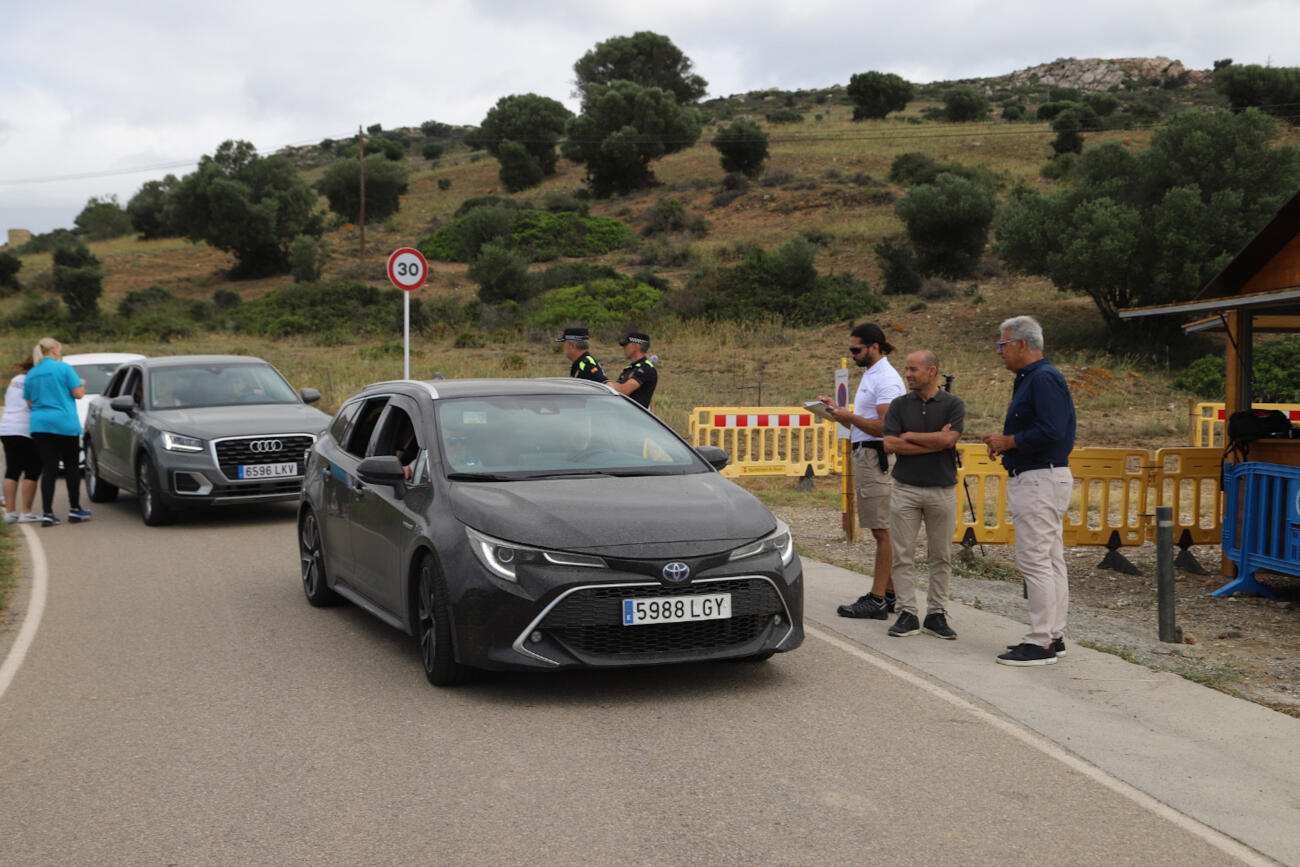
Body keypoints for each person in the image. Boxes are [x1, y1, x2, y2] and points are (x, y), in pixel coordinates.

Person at [981, 316, 1077, 666]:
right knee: (1049, 559)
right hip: (1043, 475)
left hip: (1039, 478)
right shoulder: (1037, 378)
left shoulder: (1042, 378)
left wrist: (1009, 441)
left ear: (1022, 344)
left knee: (1035, 559)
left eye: (1003, 344)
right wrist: (1009, 444)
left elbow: (1052, 430)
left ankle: (1040, 641)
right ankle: (1053, 634)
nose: (999, 351)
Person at [818, 322, 905, 619]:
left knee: (882, 530)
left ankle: (877, 598)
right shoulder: (872, 374)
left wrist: (849, 416)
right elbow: (863, 422)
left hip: (875, 457)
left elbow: (886, 427)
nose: (852, 354)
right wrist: (837, 412)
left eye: (856, 350)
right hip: (867, 454)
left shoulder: (886, 379)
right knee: (881, 527)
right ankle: (890, 594)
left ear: (874, 347)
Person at [881, 350, 964, 639]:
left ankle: (936, 613)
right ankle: (907, 612)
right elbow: (890, 444)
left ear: (932, 371)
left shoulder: (953, 404)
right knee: (903, 555)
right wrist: (935, 442)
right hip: (905, 489)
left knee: (941, 555)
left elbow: (949, 439)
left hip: (942, 489)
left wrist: (910, 436)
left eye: (913, 369)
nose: (908, 374)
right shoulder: (899, 405)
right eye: (906, 369)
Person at [24, 337, 89, 526]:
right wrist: (81, 384)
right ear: (54, 350)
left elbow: (29, 403)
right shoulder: (64, 368)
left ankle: (47, 513)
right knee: (71, 466)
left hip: (40, 425)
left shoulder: (32, 374)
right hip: (64, 423)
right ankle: (75, 509)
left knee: (49, 468)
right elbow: (78, 394)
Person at [1, 357, 43, 523]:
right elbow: (33, 404)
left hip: (7, 427)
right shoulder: (35, 381)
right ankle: (26, 511)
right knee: (33, 469)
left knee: (12, 470)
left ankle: (10, 513)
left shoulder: (16, 379)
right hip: (25, 428)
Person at [609, 332, 657, 409]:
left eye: (626, 345)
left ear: (635, 346)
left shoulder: (646, 368)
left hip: (636, 415)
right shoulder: (630, 368)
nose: (623, 348)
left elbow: (622, 391)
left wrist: (605, 383)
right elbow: (616, 388)